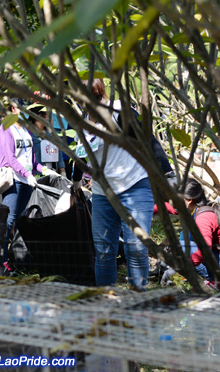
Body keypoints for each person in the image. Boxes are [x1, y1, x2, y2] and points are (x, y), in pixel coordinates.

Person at [81, 79, 155, 291]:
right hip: (102, 192)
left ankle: (137, 299)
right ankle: (106, 301)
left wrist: (166, 172)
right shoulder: (81, 121)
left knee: (136, 246)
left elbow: (148, 138)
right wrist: (77, 181)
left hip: (134, 184)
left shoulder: (119, 111)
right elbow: (80, 155)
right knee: (104, 249)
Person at [0, 103, 50, 269]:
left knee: (21, 220)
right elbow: (10, 159)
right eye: (20, 108)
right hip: (13, 179)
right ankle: (1, 260)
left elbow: (31, 160)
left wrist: (43, 169)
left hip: (27, 181)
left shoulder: (26, 129)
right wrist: (27, 174)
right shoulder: (6, 128)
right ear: (12, 109)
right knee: (8, 220)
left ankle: (17, 258)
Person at [183, 178, 220, 286]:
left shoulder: (202, 218)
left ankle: (212, 280)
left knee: (182, 247)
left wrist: (183, 266)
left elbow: (205, 249)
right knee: (188, 237)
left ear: (189, 200)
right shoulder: (207, 207)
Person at [28, 105, 66, 177]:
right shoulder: (29, 134)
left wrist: (63, 172)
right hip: (37, 174)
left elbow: (59, 154)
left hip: (53, 173)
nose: (49, 118)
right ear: (40, 116)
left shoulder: (52, 133)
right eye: (47, 115)